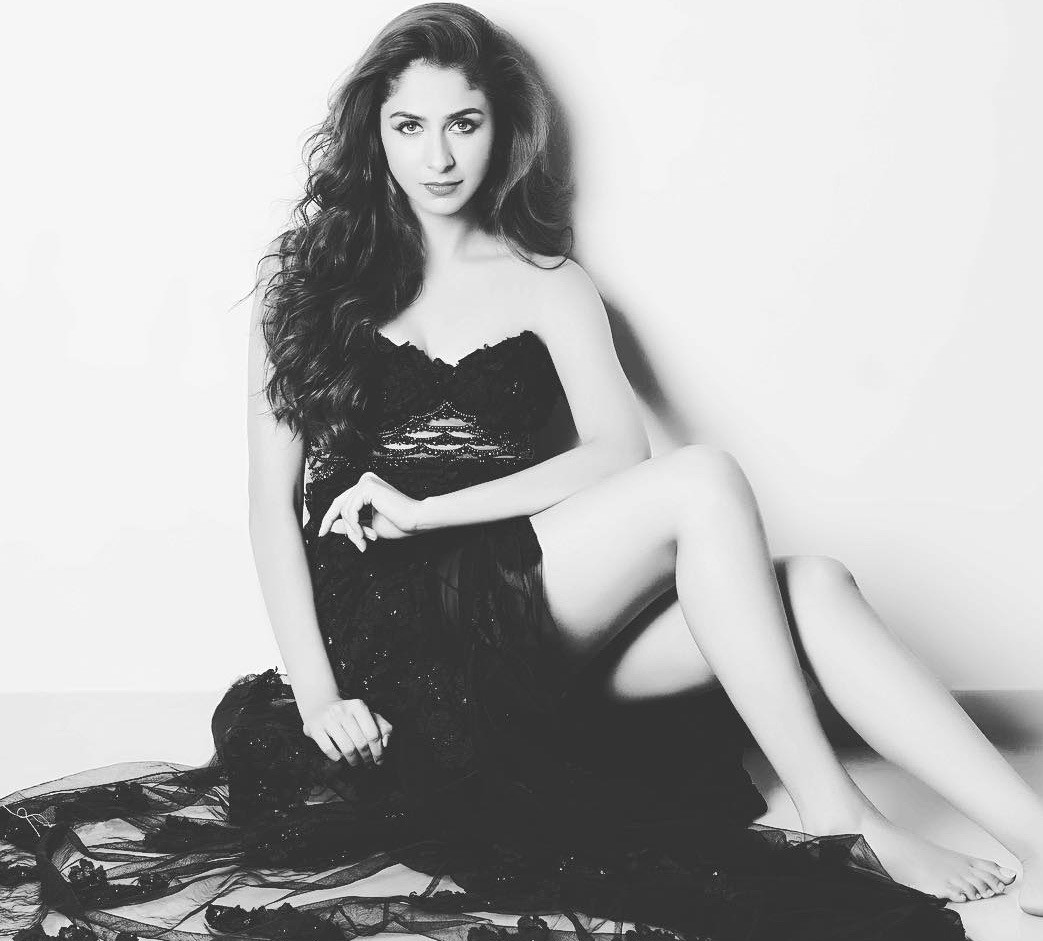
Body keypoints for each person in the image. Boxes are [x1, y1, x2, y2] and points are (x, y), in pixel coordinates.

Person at [2, 4, 1040, 939]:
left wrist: (425, 509)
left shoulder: (548, 281)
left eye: (463, 123)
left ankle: (1034, 831)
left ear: (502, 130)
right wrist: (318, 694)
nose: (438, 155)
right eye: (409, 126)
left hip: (527, 618)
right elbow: (269, 509)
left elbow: (614, 453)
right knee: (704, 479)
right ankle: (835, 815)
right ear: (374, 133)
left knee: (812, 582)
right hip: (396, 635)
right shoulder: (305, 282)